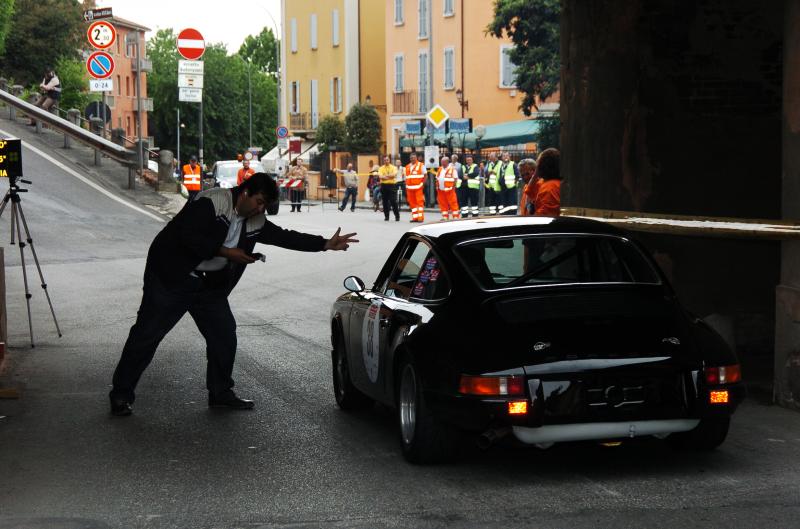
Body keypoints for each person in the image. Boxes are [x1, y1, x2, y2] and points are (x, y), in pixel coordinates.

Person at [108, 173, 358, 416]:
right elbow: (186, 236)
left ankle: (220, 392)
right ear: (245, 192)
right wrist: (228, 253)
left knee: (224, 336)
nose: (260, 210)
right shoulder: (213, 202)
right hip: (171, 276)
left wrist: (324, 244)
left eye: (266, 206)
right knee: (146, 335)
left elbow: (283, 237)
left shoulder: (256, 220)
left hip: (209, 285)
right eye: (259, 202)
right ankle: (121, 394)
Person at [527, 148, 561, 216]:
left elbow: (544, 216)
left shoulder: (550, 187)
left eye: (538, 164)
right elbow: (530, 192)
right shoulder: (546, 183)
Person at [435, 156, 460, 221]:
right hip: (441, 190)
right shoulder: (440, 169)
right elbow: (437, 178)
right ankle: (445, 217)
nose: (442, 163)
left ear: (447, 162)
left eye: (443, 162)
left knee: (453, 203)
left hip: (449, 190)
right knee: (443, 204)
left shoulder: (452, 169)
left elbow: (455, 179)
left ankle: (455, 217)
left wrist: (453, 188)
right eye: (441, 162)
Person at [404, 152, 426, 222]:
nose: (412, 159)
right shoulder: (407, 166)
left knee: (420, 203)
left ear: (416, 158)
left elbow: (425, 176)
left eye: (413, 158)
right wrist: (406, 185)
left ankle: (420, 218)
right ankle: (415, 218)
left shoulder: (421, 165)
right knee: (412, 204)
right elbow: (406, 177)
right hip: (409, 189)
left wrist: (422, 184)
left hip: (418, 188)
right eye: (411, 158)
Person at [378, 155, 400, 221]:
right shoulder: (381, 168)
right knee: (385, 202)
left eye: (387, 160)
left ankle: (397, 216)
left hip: (392, 186)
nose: (386, 161)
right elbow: (380, 177)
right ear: (383, 161)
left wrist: (385, 176)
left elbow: (394, 175)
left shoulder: (393, 167)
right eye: (385, 160)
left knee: (393, 201)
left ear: (389, 160)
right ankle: (386, 216)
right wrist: (388, 177)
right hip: (384, 186)